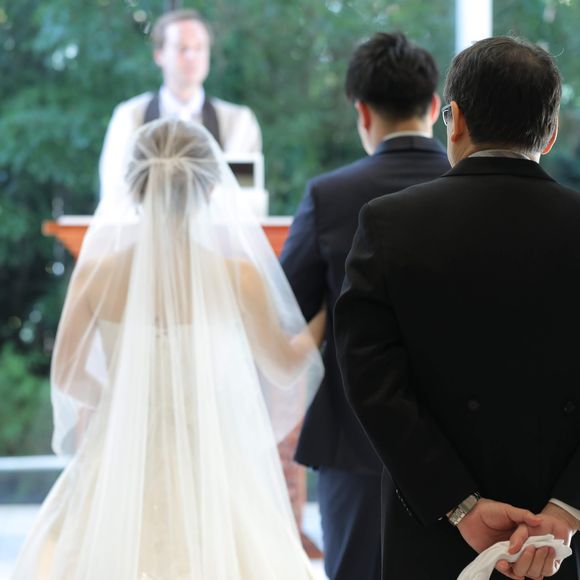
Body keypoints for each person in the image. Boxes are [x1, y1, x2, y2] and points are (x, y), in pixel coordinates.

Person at [11, 119, 324, 579]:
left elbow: (66, 375)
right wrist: (329, 312)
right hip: (211, 458)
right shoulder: (237, 277)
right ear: (210, 188)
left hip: (121, 457)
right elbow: (285, 365)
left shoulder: (96, 274)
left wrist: (120, 401)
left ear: (133, 186)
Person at [335, 35, 580, 580]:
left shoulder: (389, 223)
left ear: (456, 119)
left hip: (432, 528)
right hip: (558, 541)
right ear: (551, 131)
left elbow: (370, 380)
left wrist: (460, 503)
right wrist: (566, 508)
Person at [280, 32, 450, 580]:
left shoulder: (328, 196)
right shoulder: (467, 189)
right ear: (433, 106)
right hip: (459, 448)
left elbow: (286, 307)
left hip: (354, 444)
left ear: (362, 112)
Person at [99, 9, 262, 202]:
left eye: (199, 47)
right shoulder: (129, 116)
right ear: (159, 55)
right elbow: (115, 190)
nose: (191, 56)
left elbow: (244, 197)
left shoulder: (239, 122)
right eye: (182, 48)